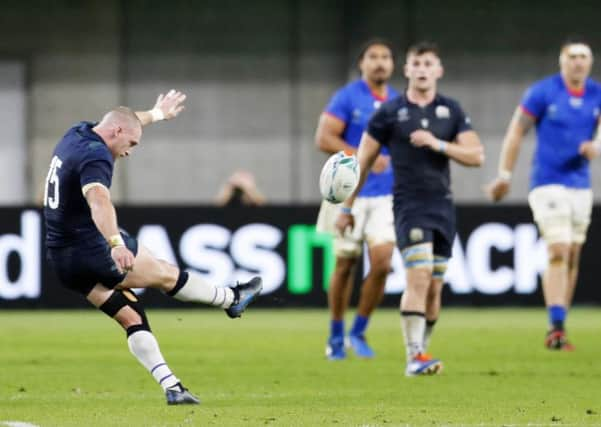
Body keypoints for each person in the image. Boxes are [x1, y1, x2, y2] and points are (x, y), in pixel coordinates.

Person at [43, 90, 263, 405]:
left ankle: (172, 387)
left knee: (131, 316)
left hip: (62, 259)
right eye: (131, 144)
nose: (130, 151)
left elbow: (128, 120)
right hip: (90, 249)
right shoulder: (96, 155)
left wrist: (157, 114)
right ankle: (232, 298)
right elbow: (99, 200)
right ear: (116, 133)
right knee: (163, 274)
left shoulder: (78, 132)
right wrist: (115, 243)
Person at [338, 42, 484, 375]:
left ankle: (422, 350)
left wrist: (438, 144)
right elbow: (362, 162)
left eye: (428, 63)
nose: (421, 68)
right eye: (416, 63)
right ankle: (413, 356)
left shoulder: (452, 110)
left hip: (443, 206)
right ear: (407, 70)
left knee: (434, 287)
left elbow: (476, 156)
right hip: (408, 205)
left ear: (438, 70)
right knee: (417, 277)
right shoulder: (389, 113)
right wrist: (347, 207)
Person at [486, 39, 601, 351]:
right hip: (547, 182)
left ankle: (559, 323)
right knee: (559, 250)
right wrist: (505, 175)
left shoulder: (596, 93)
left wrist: (597, 147)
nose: (578, 62)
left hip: (581, 185)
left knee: (573, 255)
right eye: (572, 57)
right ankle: (556, 326)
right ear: (561, 61)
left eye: (583, 57)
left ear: (589, 62)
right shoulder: (542, 92)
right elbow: (516, 132)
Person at [315, 38, 399, 360]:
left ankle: (359, 332)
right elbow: (323, 137)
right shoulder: (348, 97)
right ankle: (336, 333)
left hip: (386, 195)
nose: (380, 62)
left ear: (393, 65)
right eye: (373, 57)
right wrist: (362, 156)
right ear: (362, 64)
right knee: (345, 264)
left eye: (386, 57)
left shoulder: (397, 100)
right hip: (348, 192)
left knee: (382, 263)